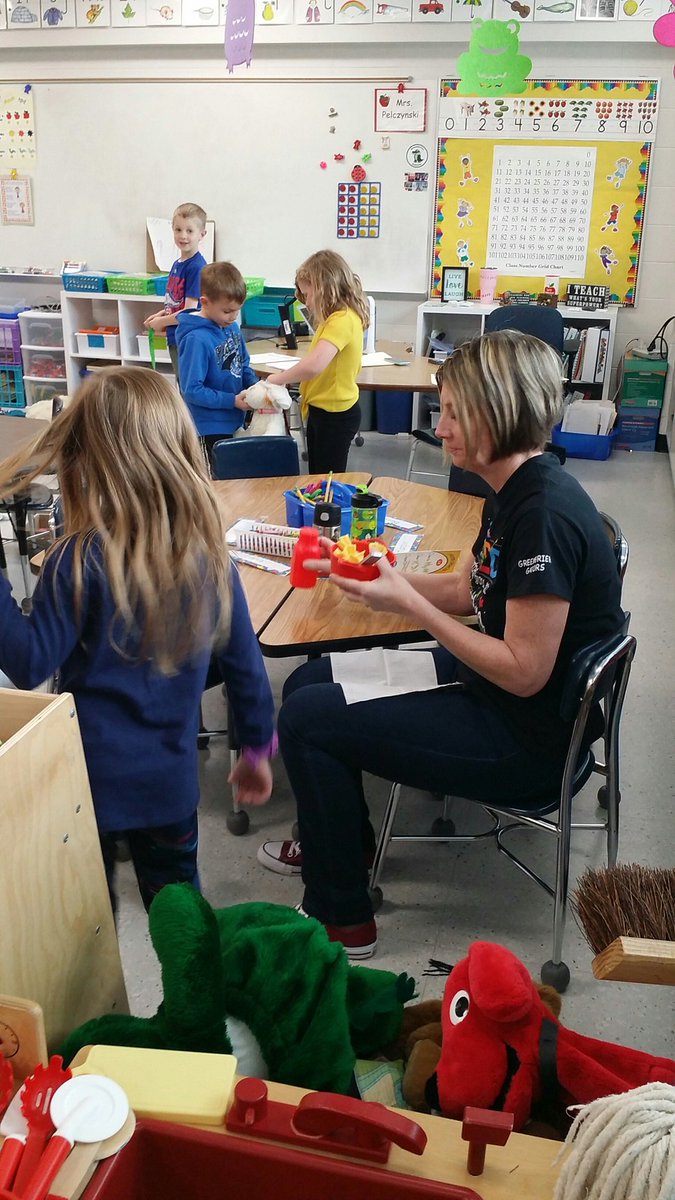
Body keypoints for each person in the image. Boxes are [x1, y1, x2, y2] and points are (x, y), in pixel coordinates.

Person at [257, 331, 625, 960]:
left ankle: (342, 917)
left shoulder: (543, 517)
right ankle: (340, 841)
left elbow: (524, 671)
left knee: (308, 722)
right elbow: (470, 586)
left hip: (524, 738)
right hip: (502, 695)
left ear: (496, 413)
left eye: (454, 412)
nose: (441, 426)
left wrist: (411, 605)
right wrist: (377, 580)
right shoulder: (516, 489)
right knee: (309, 682)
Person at [0, 367, 275, 913]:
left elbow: (29, 663)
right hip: (169, 789)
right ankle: (198, 999)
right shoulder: (211, 558)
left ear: (85, 458)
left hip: (86, 789)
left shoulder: (76, 560)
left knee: (85, 921)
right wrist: (257, 751)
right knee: (183, 923)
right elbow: (247, 669)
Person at [265, 250, 369, 474]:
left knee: (326, 481)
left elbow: (314, 366)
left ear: (325, 288)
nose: (307, 302)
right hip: (323, 411)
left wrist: (278, 379)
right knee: (319, 476)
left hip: (334, 415)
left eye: (308, 294)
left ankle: (326, 510)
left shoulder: (341, 320)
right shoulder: (333, 319)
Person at [176, 261, 258, 468]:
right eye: (227, 311)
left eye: (237, 311)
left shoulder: (231, 327)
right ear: (205, 302)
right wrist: (232, 401)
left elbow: (244, 364)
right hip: (208, 429)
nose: (233, 317)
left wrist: (255, 388)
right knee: (217, 486)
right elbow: (192, 390)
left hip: (234, 421)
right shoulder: (196, 339)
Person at [143, 202, 208, 387]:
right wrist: (160, 315)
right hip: (176, 336)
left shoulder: (196, 267)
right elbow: (175, 302)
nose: (183, 236)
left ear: (202, 234)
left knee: (188, 388)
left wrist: (160, 323)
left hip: (188, 338)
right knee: (181, 384)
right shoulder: (177, 263)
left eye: (189, 231)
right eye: (178, 229)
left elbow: (189, 313)